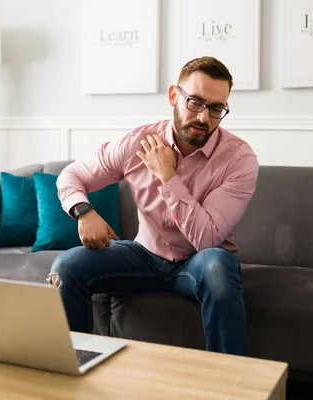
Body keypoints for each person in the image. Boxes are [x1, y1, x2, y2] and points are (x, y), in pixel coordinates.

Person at [48, 56, 259, 356]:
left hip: (200, 261)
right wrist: (83, 211)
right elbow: (72, 175)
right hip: (144, 256)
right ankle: (75, 366)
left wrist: (167, 176)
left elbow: (207, 239)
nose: (203, 118)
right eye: (195, 102)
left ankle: (231, 383)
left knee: (218, 267)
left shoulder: (239, 160)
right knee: (66, 267)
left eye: (216, 109)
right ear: (174, 96)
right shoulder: (137, 143)